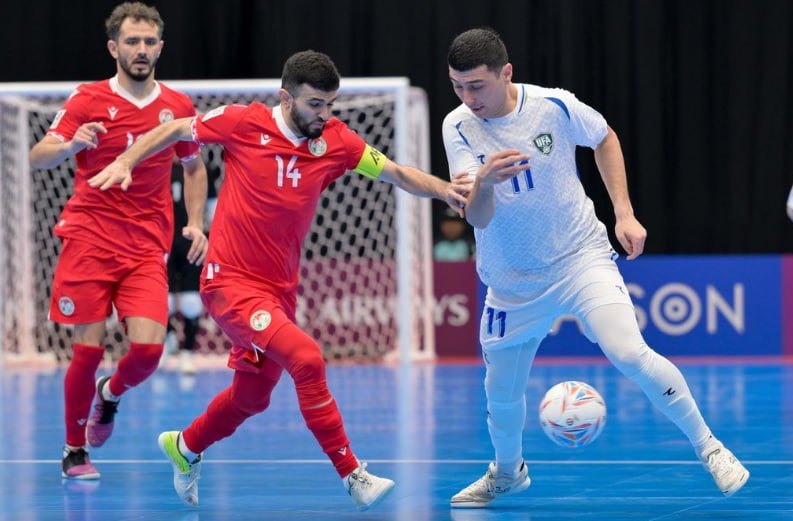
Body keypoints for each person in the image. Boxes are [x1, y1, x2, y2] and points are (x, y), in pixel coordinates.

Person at [88, 50, 472, 511]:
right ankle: (352, 474)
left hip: (278, 290)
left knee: (251, 398)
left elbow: (396, 173)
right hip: (228, 282)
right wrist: (127, 160)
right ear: (286, 98)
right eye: (315, 104)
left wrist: (445, 191)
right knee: (307, 358)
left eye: (330, 104)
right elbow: (174, 129)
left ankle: (185, 446)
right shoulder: (242, 122)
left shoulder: (337, 140)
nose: (324, 114)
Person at [441, 28, 749, 508]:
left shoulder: (554, 106)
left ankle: (711, 448)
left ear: (506, 73)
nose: (467, 97)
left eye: (476, 85)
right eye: (458, 86)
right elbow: (477, 217)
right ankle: (507, 473)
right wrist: (484, 180)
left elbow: (604, 138)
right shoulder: (457, 126)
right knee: (500, 393)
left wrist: (624, 213)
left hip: (579, 258)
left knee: (629, 352)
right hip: (511, 283)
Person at [28, 2, 208, 481]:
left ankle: (109, 394)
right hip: (88, 238)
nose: (141, 49)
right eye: (132, 41)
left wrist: (195, 221)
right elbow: (38, 155)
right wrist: (70, 144)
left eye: (149, 42)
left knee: (148, 352)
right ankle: (74, 450)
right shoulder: (86, 99)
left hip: (146, 245)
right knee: (86, 349)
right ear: (114, 48)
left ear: (161, 47)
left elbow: (194, 167)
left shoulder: (178, 106)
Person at [161, 160, 221, 375]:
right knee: (161, 300)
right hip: (162, 242)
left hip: (192, 244)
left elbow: (214, 211)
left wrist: (214, 242)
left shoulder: (200, 169)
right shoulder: (160, 166)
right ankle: (167, 341)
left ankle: (187, 353)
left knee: (191, 302)